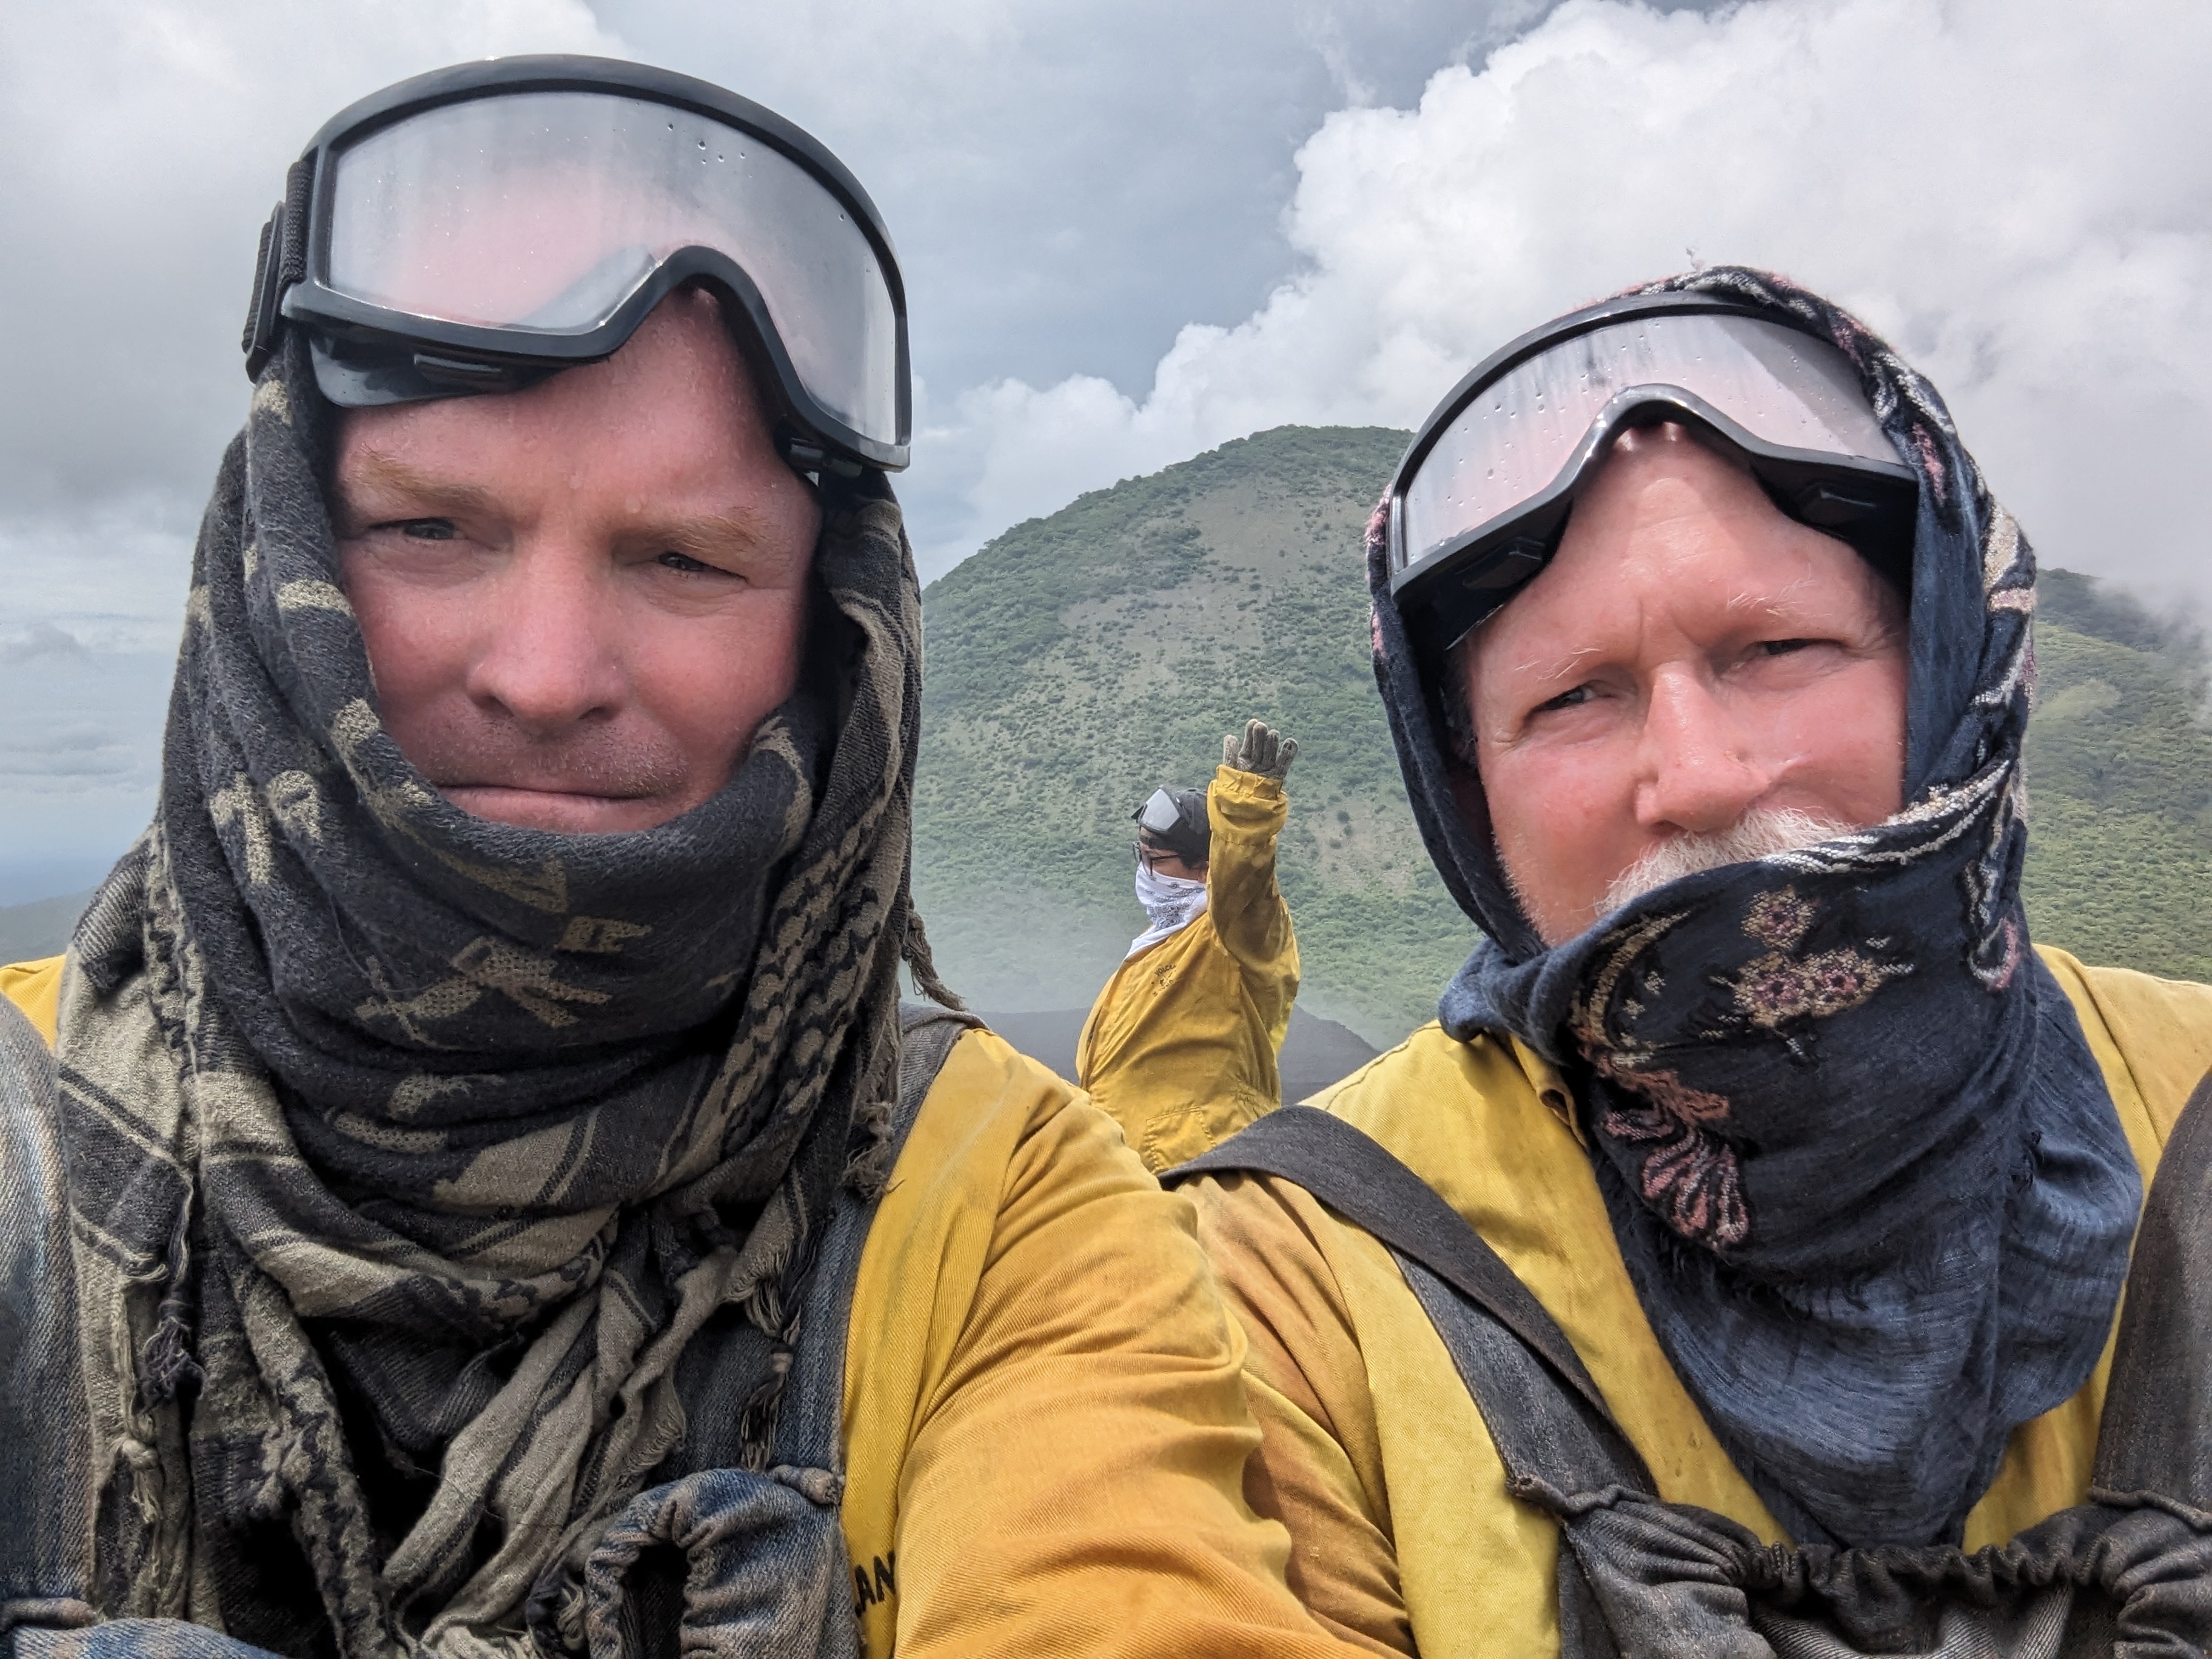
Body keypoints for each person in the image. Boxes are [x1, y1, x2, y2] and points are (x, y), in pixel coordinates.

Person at [0, 58, 1366, 1659]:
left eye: (685, 557)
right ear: (278, 547)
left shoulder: (1001, 1209)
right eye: (433, 528)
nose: (549, 671)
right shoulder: (26, 1110)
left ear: (828, 640)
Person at [1170, 270, 2212, 1655]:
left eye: (1780, 646)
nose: (1699, 776)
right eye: (1572, 696)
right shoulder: (1297, 1273)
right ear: (1466, 790)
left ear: (1952, 665)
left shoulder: (2191, 1093)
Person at [1078, 721, 1301, 1170]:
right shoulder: (1156, 947)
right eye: (1139, 855)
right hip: (1129, 1168)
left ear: (1205, 868)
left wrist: (1247, 807)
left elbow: (1243, 876)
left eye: (1154, 859)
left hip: (1201, 1167)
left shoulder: (1236, 933)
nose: (1144, 871)